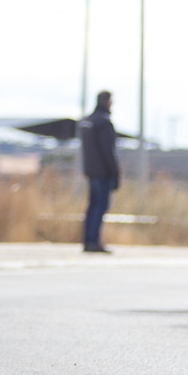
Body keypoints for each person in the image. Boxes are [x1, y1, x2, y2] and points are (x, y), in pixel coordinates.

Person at [79, 90, 120, 253]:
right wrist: (115, 172)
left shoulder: (88, 121)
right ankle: (94, 242)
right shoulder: (104, 122)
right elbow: (108, 151)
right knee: (100, 206)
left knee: (92, 206)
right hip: (103, 172)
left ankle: (88, 240)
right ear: (106, 102)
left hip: (91, 171)